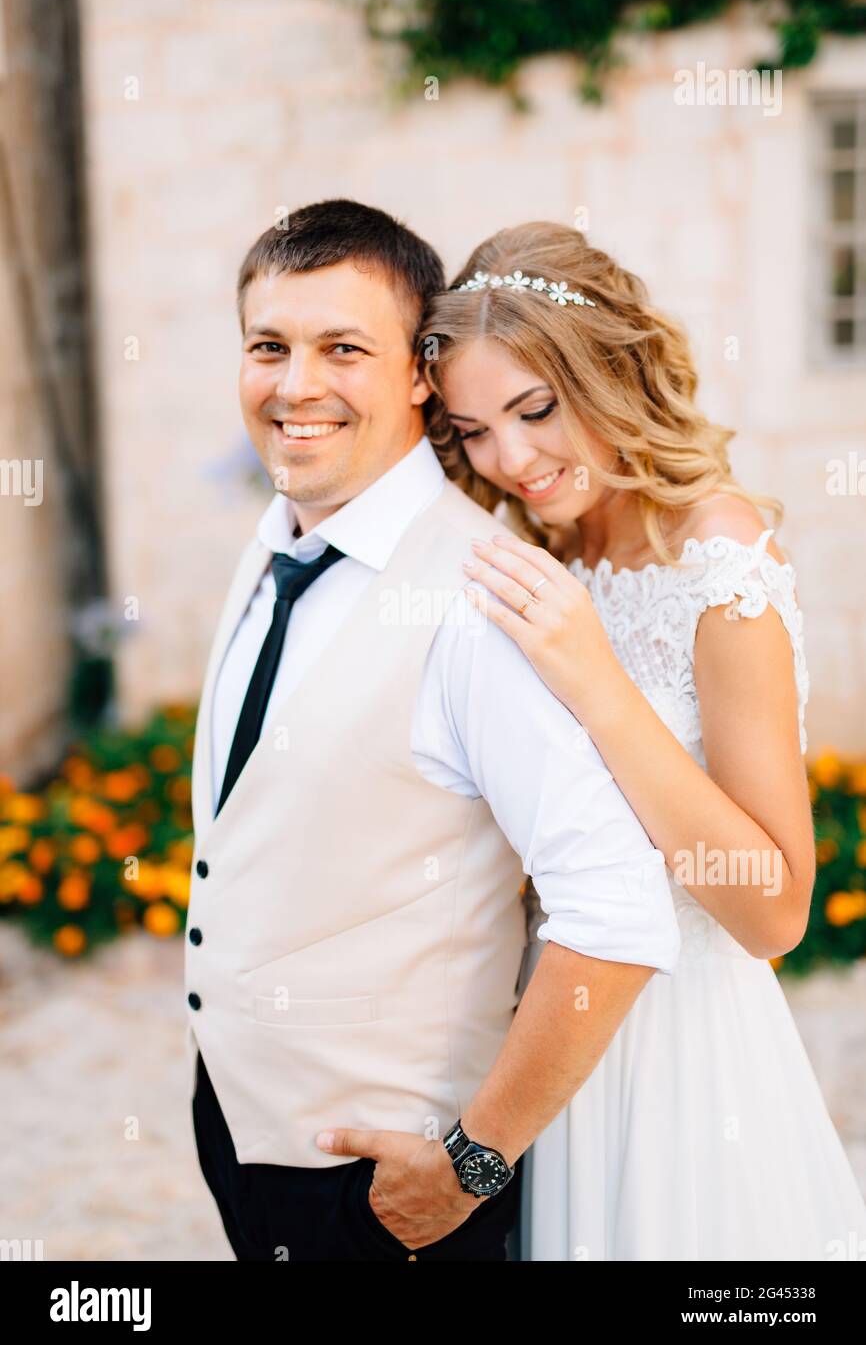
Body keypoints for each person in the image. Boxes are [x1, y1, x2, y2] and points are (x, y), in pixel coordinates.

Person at [184, 199, 680, 1262]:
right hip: (239, 1125)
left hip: (385, 1188)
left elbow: (618, 911)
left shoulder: (478, 599)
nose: (294, 385)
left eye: (342, 349)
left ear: (417, 373)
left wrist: (473, 1161)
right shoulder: (277, 536)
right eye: (268, 345)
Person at [418, 218, 866, 1260]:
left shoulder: (719, 557)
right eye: (473, 429)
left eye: (535, 409)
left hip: (683, 1048)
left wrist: (599, 685)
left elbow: (773, 909)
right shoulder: (540, 545)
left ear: (609, 370)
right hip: (552, 1036)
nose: (511, 458)